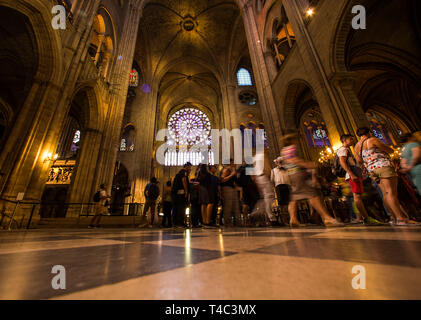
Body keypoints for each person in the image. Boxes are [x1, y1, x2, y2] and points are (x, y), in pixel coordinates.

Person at [354, 127, 418, 226]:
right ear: (369, 132)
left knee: (385, 194)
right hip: (383, 166)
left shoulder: (356, 146)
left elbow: (359, 160)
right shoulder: (372, 140)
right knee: (391, 193)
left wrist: (369, 159)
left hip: (372, 170)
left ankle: (393, 217)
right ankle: (401, 218)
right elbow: (389, 150)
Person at [281, 132, 343, 228]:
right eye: (296, 139)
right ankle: (327, 218)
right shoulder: (292, 148)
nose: (297, 142)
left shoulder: (283, 150)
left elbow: (286, 162)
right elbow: (294, 160)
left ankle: (293, 219)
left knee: (294, 198)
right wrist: (308, 164)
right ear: (292, 140)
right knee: (312, 194)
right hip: (298, 173)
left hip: (290, 174)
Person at [337, 134, 382, 225]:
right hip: (352, 176)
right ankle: (365, 218)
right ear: (345, 140)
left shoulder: (347, 149)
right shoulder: (343, 149)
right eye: (351, 139)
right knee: (357, 197)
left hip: (354, 175)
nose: (353, 140)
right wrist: (351, 174)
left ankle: (365, 217)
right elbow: (342, 162)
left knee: (358, 197)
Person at [220, 159, 241, 227]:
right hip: (227, 188)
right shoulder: (227, 169)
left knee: (235, 205)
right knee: (228, 205)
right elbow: (222, 179)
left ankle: (237, 221)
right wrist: (231, 175)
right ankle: (227, 221)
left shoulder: (232, 170)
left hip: (232, 188)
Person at [172, 162, 192, 227]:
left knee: (178, 207)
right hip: (181, 192)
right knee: (181, 207)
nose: (190, 169)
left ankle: (177, 222)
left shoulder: (179, 173)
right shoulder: (184, 172)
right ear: (187, 166)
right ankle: (179, 222)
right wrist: (186, 191)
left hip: (177, 193)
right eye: (190, 167)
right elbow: (184, 180)